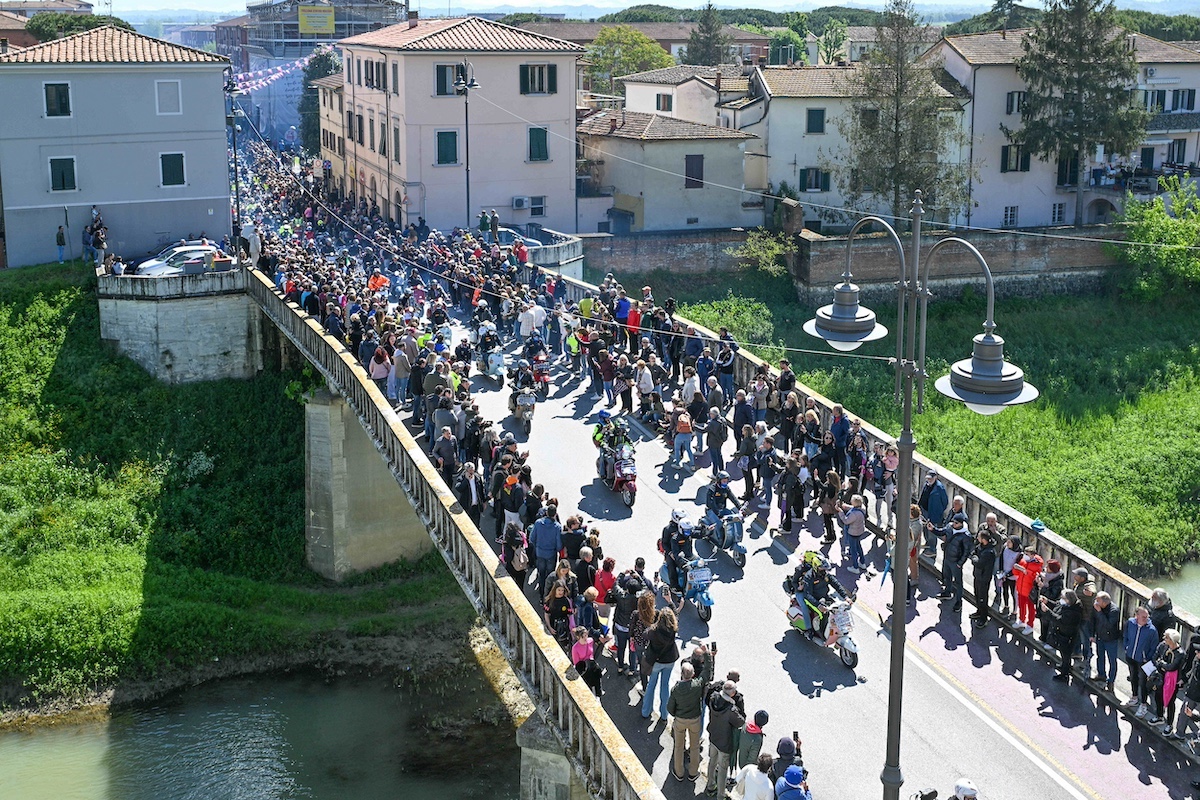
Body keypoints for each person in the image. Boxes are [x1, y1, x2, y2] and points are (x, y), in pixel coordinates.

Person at [667, 648, 713, 782]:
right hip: (695, 719)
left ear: (682, 674)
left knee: (678, 747)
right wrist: (707, 654)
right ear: (693, 675)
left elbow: (670, 708)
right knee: (694, 747)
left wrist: (677, 715)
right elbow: (707, 671)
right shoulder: (697, 685)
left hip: (680, 720)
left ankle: (679, 772)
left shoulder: (676, 689)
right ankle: (693, 772)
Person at [791, 551, 850, 645]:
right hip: (812, 599)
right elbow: (808, 595)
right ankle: (810, 630)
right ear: (816, 567)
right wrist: (818, 606)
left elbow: (836, 584)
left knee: (837, 609)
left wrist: (846, 597)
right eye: (822, 569)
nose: (824, 571)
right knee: (819, 613)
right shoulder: (809, 577)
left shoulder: (825, 575)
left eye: (825, 569)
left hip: (823, 596)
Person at [704, 680, 745, 798]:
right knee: (722, 770)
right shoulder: (731, 709)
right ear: (731, 694)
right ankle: (720, 795)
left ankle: (710, 785)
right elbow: (740, 722)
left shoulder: (713, 698)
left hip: (713, 737)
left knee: (712, 762)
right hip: (724, 743)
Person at [642, 608, 680, 720]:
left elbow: (644, 634)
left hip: (656, 661)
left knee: (651, 685)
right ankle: (664, 714)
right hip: (670, 660)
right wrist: (670, 602)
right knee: (665, 685)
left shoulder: (654, 631)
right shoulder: (673, 629)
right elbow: (676, 614)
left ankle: (646, 711)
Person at [931, 512, 972, 612]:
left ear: (961, 523)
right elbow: (941, 532)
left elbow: (966, 552)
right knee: (946, 576)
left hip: (956, 562)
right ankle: (947, 592)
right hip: (947, 558)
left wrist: (960, 563)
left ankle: (959, 601)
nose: (954, 524)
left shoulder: (966, 536)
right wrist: (932, 529)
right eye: (953, 521)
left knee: (958, 583)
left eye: (956, 523)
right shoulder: (949, 527)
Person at [1124, 606, 1158, 717]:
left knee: (1143, 683)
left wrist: (1146, 658)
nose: (1145, 619)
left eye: (1146, 617)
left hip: (1143, 661)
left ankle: (1143, 705)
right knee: (1133, 677)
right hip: (1131, 657)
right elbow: (1125, 636)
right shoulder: (1130, 623)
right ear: (1136, 616)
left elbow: (1154, 648)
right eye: (1143, 617)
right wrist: (1126, 648)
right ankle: (1134, 697)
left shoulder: (1152, 630)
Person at [1149, 629, 1186, 730]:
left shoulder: (1180, 653)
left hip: (1172, 681)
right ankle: (1159, 716)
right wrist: (1161, 665)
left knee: (1170, 702)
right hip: (1160, 677)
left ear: (1173, 640)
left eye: (1167, 637)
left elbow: (1172, 667)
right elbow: (1154, 657)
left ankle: (1169, 724)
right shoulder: (1162, 645)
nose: (1164, 639)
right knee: (1158, 697)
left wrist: (1161, 664)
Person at [1048, 589, 1083, 682]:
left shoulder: (1073, 612)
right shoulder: (1068, 606)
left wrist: (1047, 612)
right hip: (1064, 634)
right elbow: (1057, 606)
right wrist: (1047, 602)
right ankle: (1064, 666)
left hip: (1068, 636)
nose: (1061, 600)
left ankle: (1064, 674)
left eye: (1064, 598)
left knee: (1066, 654)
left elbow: (1060, 621)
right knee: (1064, 654)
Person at [528, 504, 562, 598]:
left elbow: (532, 538)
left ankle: (541, 595)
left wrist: (538, 547)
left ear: (546, 513)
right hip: (551, 554)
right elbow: (559, 545)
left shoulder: (538, 523)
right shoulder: (557, 527)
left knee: (541, 574)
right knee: (550, 576)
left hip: (540, 553)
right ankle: (548, 596)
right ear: (555, 514)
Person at [968, 527, 998, 628]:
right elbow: (973, 553)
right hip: (977, 575)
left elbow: (979, 563)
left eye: (979, 537)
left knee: (982, 598)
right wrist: (974, 557)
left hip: (984, 578)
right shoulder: (980, 546)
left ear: (984, 539)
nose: (977, 538)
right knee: (977, 595)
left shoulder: (989, 552)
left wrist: (974, 558)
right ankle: (979, 611)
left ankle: (983, 618)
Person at [1091, 591, 1121, 691]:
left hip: (1110, 639)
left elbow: (1108, 625)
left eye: (1098, 600)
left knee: (1112, 660)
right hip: (1100, 637)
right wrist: (1092, 634)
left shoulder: (1114, 610)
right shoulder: (1097, 607)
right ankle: (1101, 674)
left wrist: (1099, 612)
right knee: (1100, 657)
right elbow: (1093, 621)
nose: (1096, 602)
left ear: (1104, 602)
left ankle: (1111, 681)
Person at [1012, 545, 1044, 634]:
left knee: (1031, 609)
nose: (1025, 555)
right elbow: (1016, 573)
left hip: (1030, 591)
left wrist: (1026, 571)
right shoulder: (1023, 561)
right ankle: (1021, 620)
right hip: (1021, 588)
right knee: (1021, 606)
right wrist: (1016, 568)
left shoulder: (1037, 565)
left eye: (1027, 554)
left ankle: (1030, 625)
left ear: (1033, 555)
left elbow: (1036, 577)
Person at [918, 469, 949, 556]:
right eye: (928, 478)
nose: (929, 480)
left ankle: (932, 550)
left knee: (931, 531)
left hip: (933, 513)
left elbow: (945, 502)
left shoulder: (939, 488)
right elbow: (923, 495)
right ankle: (928, 543)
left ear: (936, 477)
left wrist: (938, 511)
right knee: (925, 529)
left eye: (931, 478)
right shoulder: (927, 484)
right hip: (924, 510)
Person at [837, 494, 869, 573]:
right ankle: (862, 562)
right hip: (860, 531)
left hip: (853, 532)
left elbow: (846, 521)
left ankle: (855, 567)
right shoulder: (862, 509)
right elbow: (853, 508)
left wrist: (840, 512)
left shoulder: (853, 514)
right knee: (858, 546)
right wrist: (845, 506)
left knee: (853, 550)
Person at [543, 580, 574, 651]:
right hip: (553, 624)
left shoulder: (566, 601)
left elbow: (570, 615)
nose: (560, 592)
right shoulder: (549, 601)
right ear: (555, 590)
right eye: (559, 590)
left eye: (562, 590)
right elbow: (546, 614)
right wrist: (549, 627)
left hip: (564, 626)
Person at [500, 522, 528, 586]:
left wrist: (502, 557)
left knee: (510, 585)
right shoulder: (522, 537)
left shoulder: (507, 543)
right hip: (521, 565)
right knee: (520, 585)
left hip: (511, 568)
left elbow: (508, 558)